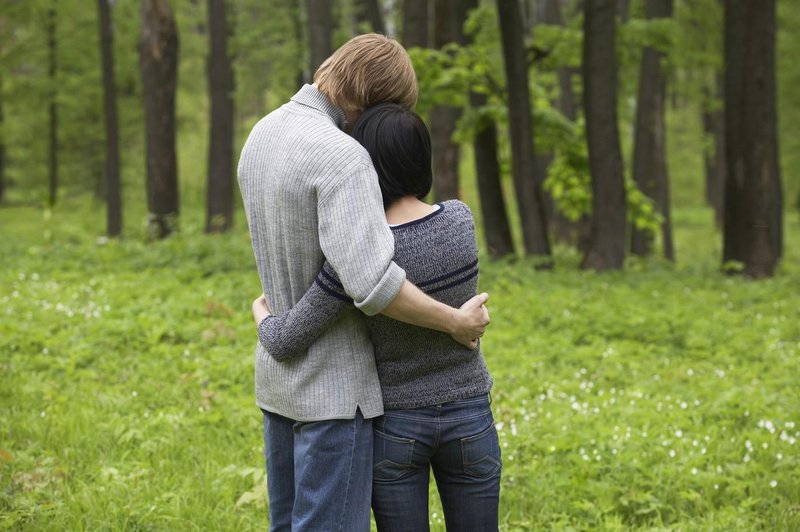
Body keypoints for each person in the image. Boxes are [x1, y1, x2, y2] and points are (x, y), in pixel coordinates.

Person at [237, 34, 490, 531]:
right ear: (374, 101)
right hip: (336, 392)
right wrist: (455, 322)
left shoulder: (262, 135)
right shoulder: (341, 156)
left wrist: (273, 327)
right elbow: (373, 285)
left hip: (278, 383)